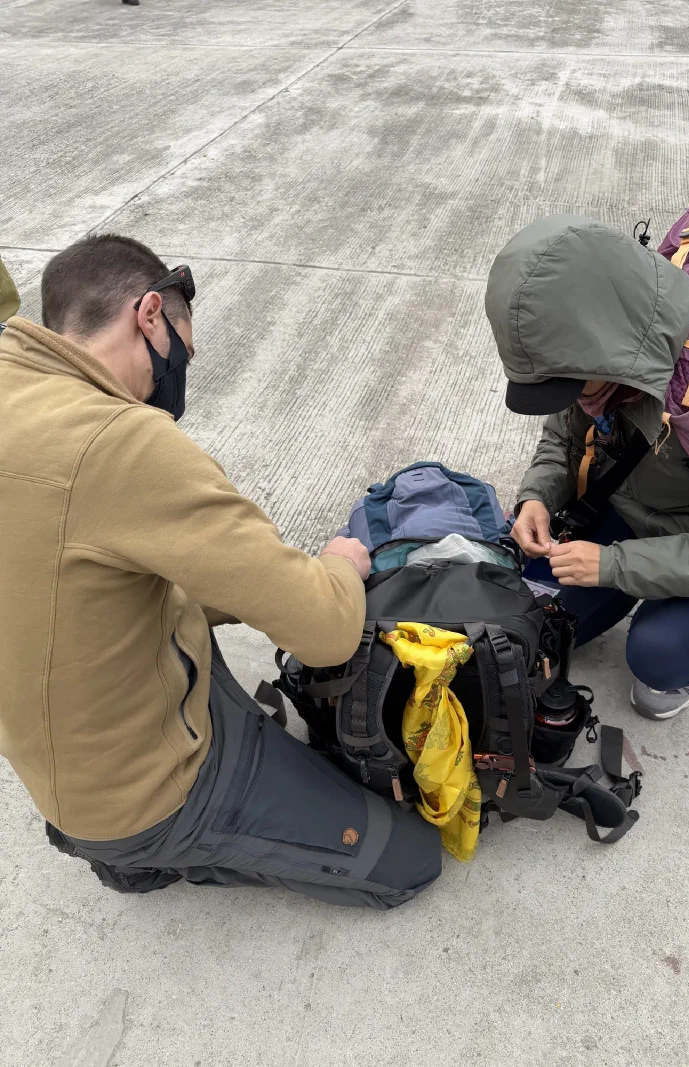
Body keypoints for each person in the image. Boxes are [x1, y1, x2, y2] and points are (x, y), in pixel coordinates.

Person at [0, 234, 441, 908]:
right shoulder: (122, 442)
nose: (179, 369)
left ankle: (129, 837)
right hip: (143, 797)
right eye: (181, 347)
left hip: (64, 761)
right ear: (149, 315)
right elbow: (324, 629)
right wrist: (338, 564)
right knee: (410, 858)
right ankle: (159, 849)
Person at [485, 216, 689, 720]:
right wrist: (537, 496)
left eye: (570, 384)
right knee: (532, 621)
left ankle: (683, 656)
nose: (571, 398)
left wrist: (613, 566)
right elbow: (565, 435)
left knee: (659, 656)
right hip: (635, 507)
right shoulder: (601, 350)